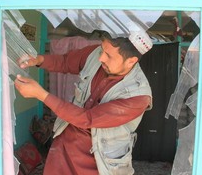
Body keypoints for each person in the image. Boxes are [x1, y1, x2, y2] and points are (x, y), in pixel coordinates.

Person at [14, 30, 153, 175]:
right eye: (102, 50)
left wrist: (41, 95)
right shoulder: (96, 54)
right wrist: (38, 60)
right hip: (64, 147)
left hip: (97, 162)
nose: (101, 58)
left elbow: (87, 118)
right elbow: (65, 62)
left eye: (109, 55)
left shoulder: (137, 97)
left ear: (131, 61)